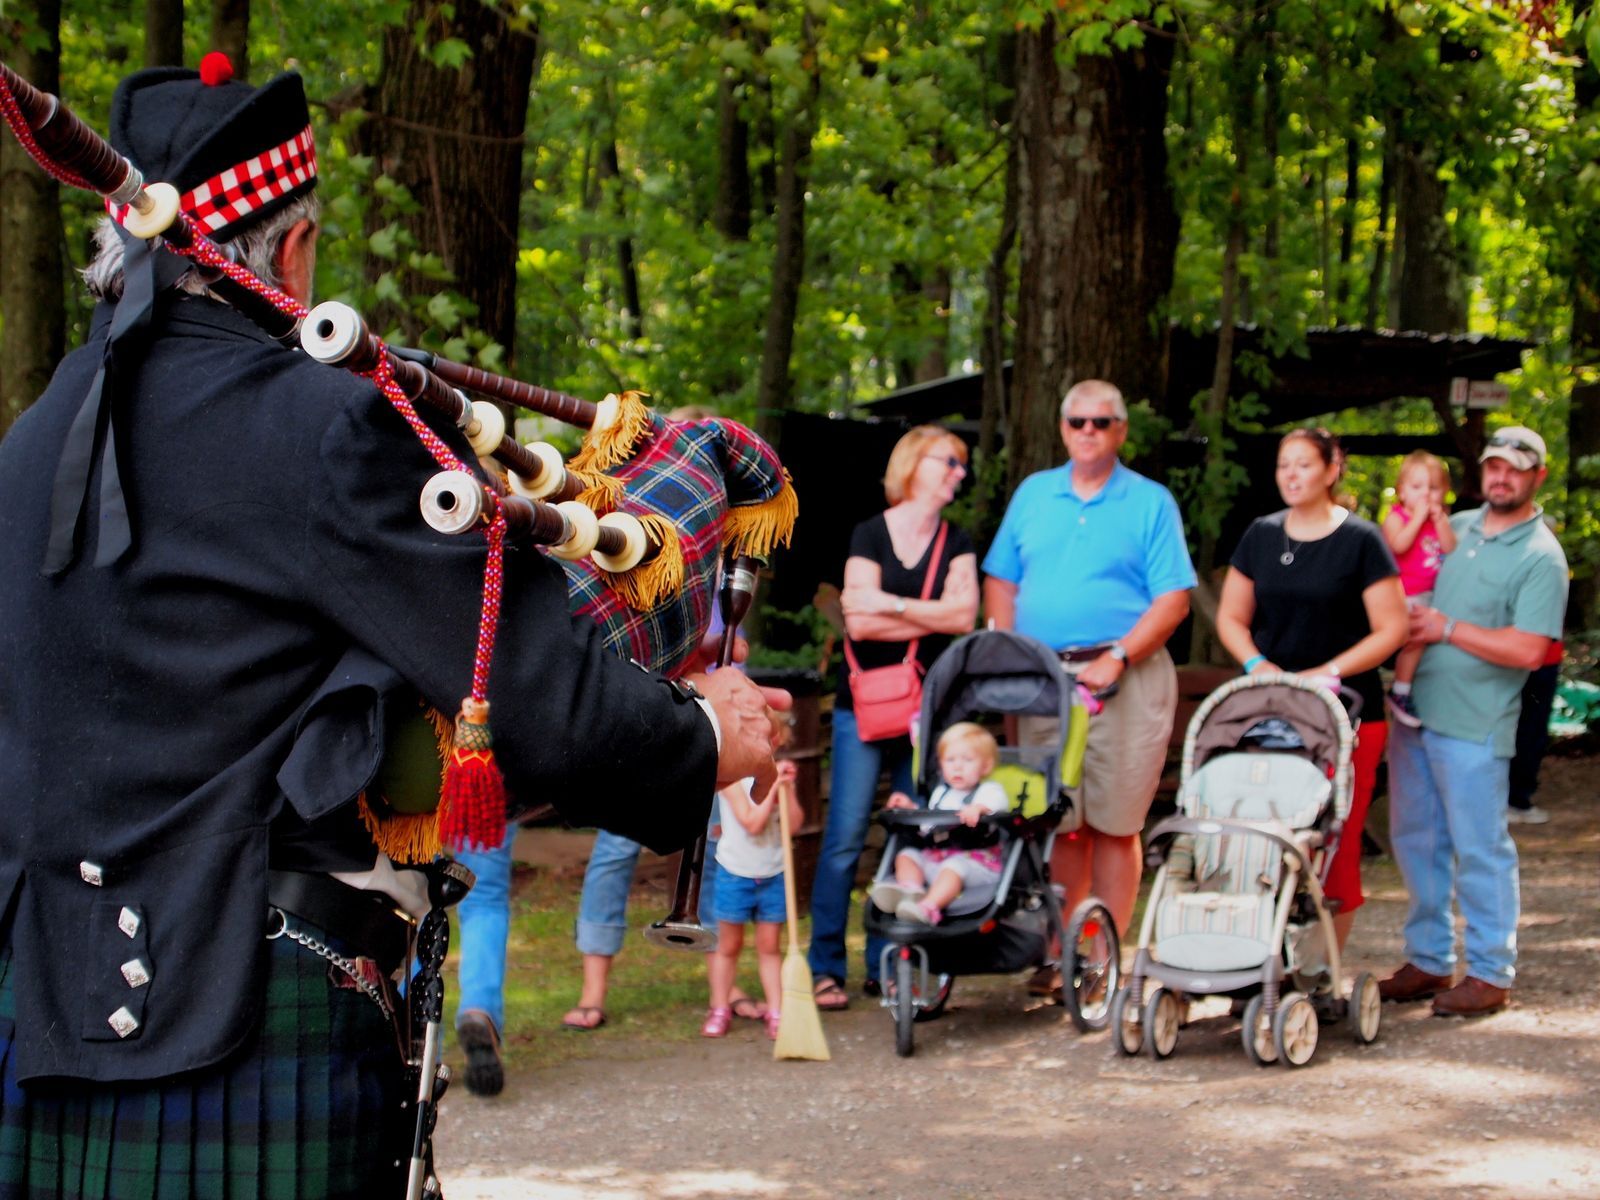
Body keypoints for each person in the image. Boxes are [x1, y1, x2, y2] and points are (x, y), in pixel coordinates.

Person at [0, 63, 785, 1195]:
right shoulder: (320, 428)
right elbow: (522, 687)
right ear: (295, 247)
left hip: (40, 1009)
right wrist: (702, 736)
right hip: (242, 1014)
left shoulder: (34, 437)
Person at [982, 380, 1194, 966]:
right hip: (1043, 680)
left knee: (1115, 822)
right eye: (1077, 422)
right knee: (1058, 820)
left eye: (1101, 422)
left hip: (1124, 675)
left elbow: (1173, 598)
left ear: (1121, 431)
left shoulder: (1149, 502)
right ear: (1062, 427)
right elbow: (1000, 577)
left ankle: (1103, 956)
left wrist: (1119, 655)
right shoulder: (1033, 494)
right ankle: (1060, 953)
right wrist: (1009, 648)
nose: (1088, 432)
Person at [1380, 426, 1568, 1017]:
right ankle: (1430, 959)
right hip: (1414, 712)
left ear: (1537, 476)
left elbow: (1530, 650)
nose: (1501, 478)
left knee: (1480, 846)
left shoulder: (1542, 556)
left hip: (1477, 721)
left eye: (1515, 469)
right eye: (1493, 467)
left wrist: (1447, 629)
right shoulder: (1452, 530)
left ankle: (1490, 971)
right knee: (1416, 839)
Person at [1214, 427, 1409, 951]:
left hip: (1347, 713)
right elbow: (1232, 616)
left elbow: (1392, 628)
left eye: (1303, 464)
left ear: (1331, 468)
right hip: (1268, 710)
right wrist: (1257, 663)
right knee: (1255, 834)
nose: (1292, 475)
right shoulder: (1261, 534)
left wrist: (1329, 671)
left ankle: (1324, 970)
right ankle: (1253, 958)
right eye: (1284, 465)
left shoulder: (1362, 541)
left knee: (1334, 841)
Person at [808, 425, 979, 1009]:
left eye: (962, 464)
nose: (959, 472)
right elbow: (858, 624)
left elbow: (965, 616)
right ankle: (825, 967)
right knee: (845, 840)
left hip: (926, 716)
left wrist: (891, 604)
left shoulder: (958, 542)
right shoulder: (868, 533)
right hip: (864, 707)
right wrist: (923, 614)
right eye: (949, 461)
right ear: (913, 464)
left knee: (915, 836)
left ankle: (892, 961)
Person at [869, 723, 1011, 924]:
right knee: (906, 856)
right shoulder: (941, 792)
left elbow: (997, 805)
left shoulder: (989, 791)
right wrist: (911, 809)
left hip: (975, 864)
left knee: (955, 866)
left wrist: (979, 809)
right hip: (937, 859)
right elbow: (929, 826)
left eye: (967, 760)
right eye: (950, 760)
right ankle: (912, 891)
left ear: (985, 766)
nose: (957, 766)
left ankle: (929, 907)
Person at [702, 760, 802, 1039]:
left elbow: (793, 825)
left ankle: (777, 1011)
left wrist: (789, 789)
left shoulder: (777, 775)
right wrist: (773, 790)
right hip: (735, 875)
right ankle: (720, 1008)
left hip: (774, 874)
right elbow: (751, 823)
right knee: (729, 946)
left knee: (770, 946)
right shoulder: (732, 778)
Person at [1383, 451, 1459, 728]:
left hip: (1431, 596)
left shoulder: (1439, 520)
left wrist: (1439, 522)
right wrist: (1417, 519)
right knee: (1414, 641)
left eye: (1433, 488)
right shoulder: (1397, 517)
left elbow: (1452, 550)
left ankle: (1407, 687)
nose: (1426, 495)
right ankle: (1400, 691)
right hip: (1402, 594)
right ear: (1402, 492)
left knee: (1422, 642)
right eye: (1417, 487)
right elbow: (1399, 545)